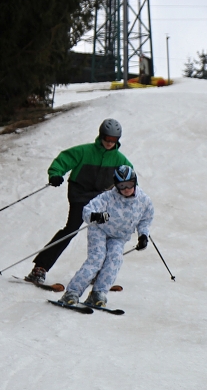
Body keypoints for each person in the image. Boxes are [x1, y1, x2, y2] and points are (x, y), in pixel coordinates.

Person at [25, 119, 132, 286]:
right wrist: (56, 174)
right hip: (80, 195)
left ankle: (99, 273)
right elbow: (63, 160)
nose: (110, 143)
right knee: (71, 229)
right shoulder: (84, 151)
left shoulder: (120, 160)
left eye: (113, 140)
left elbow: (130, 178)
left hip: (101, 200)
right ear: (101, 136)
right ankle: (40, 268)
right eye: (107, 138)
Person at [57, 165, 153, 309]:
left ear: (135, 182)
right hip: (100, 230)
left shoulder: (144, 200)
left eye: (129, 184)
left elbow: (145, 220)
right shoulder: (108, 197)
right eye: (122, 186)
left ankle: (98, 293)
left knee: (115, 259)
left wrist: (143, 235)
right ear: (116, 185)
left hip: (119, 236)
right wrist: (96, 216)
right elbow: (87, 210)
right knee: (97, 258)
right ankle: (72, 292)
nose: (126, 189)